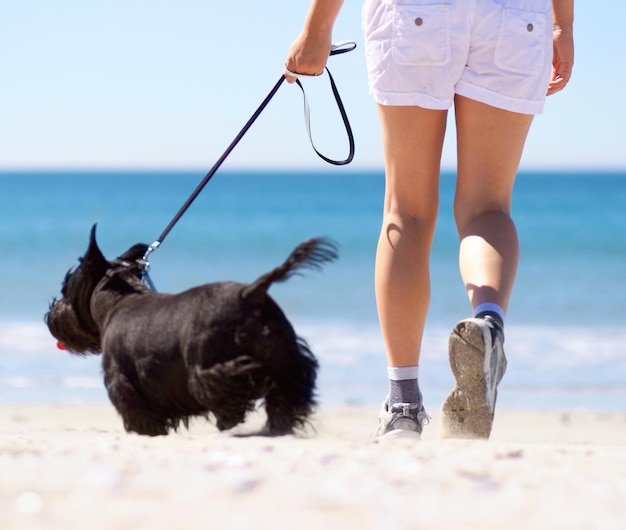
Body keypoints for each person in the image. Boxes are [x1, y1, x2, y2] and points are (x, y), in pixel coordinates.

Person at [285, 0, 574, 439]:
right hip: (515, 16)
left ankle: (403, 404)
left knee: (408, 211)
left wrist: (317, 26)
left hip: (416, 13)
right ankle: (489, 322)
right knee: (487, 207)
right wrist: (562, 24)